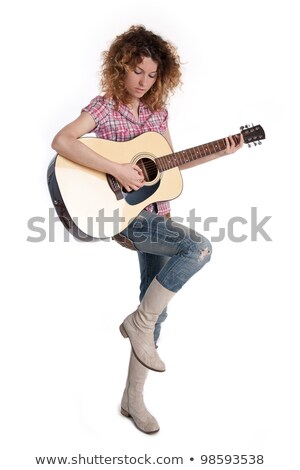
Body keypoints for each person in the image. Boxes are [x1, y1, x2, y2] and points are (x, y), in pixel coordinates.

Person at [51, 25, 243, 434]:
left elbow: (168, 162)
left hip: (159, 215)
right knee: (199, 249)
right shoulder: (104, 108)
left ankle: (132, 398)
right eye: (138, 71)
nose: (144, 81)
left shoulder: (158, 114)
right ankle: (138, 325)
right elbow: (62, 141)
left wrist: (219, 152)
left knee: (154, 306)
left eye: (153, 74)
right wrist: (118, 168)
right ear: (121, 67)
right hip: (126, 217)